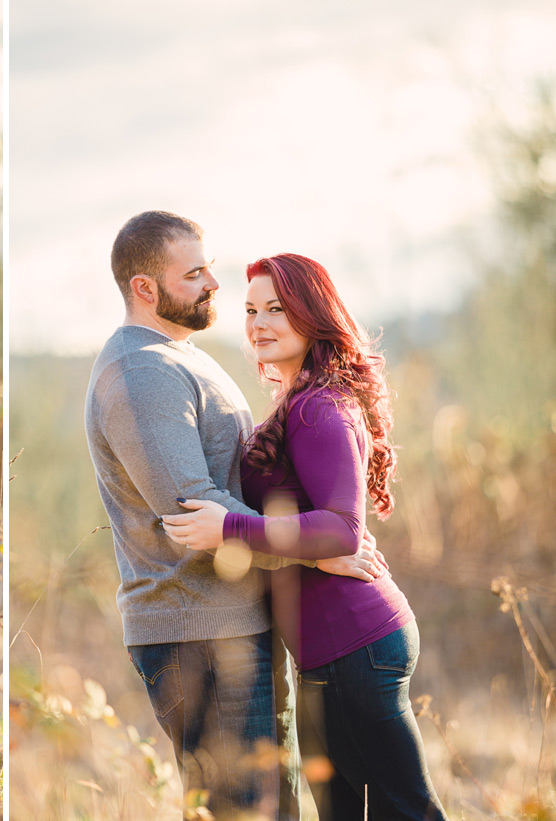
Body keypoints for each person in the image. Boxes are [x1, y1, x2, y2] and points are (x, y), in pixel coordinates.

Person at [84, 211, 385, 819]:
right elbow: (192, 508)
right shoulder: (142, 371)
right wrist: (319, 545)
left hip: (233, 621)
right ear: (146, 288)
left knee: (277, 806)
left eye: (209, 268)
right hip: (196, 631)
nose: (213, 286)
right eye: (194, 274)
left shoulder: (179, 356)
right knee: (250, 811)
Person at [162, 253, 446, 819]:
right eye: (250, 310)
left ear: (312, 315)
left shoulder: (319, 405)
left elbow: (342, 528)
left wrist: (228, 529)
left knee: (406, 811)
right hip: (329, 653)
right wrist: (312, 557)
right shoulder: (300, 398)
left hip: (356, 646)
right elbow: (321, 532)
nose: (258, 323)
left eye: (277, 309)